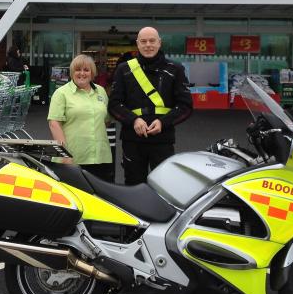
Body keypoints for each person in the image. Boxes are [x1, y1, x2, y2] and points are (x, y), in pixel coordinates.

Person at [109, 27, 193, 185]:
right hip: (132, 139)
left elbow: (185, 106)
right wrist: (134, 120)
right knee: (133, 185)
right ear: (137, 44)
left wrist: (163, 122)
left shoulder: (175, 69)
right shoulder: (123, 69)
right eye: (144, 41)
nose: (148, 45)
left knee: (164, 186)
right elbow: (114, 104)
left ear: (159, 43)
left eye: (152, 41)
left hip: (163, 139)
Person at [47, 54, 114, 182]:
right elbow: (54, 124)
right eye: (78, 70)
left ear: (92, 73)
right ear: (72, 72)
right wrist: (65, 154)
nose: (82, 73)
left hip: (100, 157)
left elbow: (106, 121)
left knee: (99, 199)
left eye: (86, 70)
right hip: (73, 158)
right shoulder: (61, 93)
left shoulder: (101, 91)